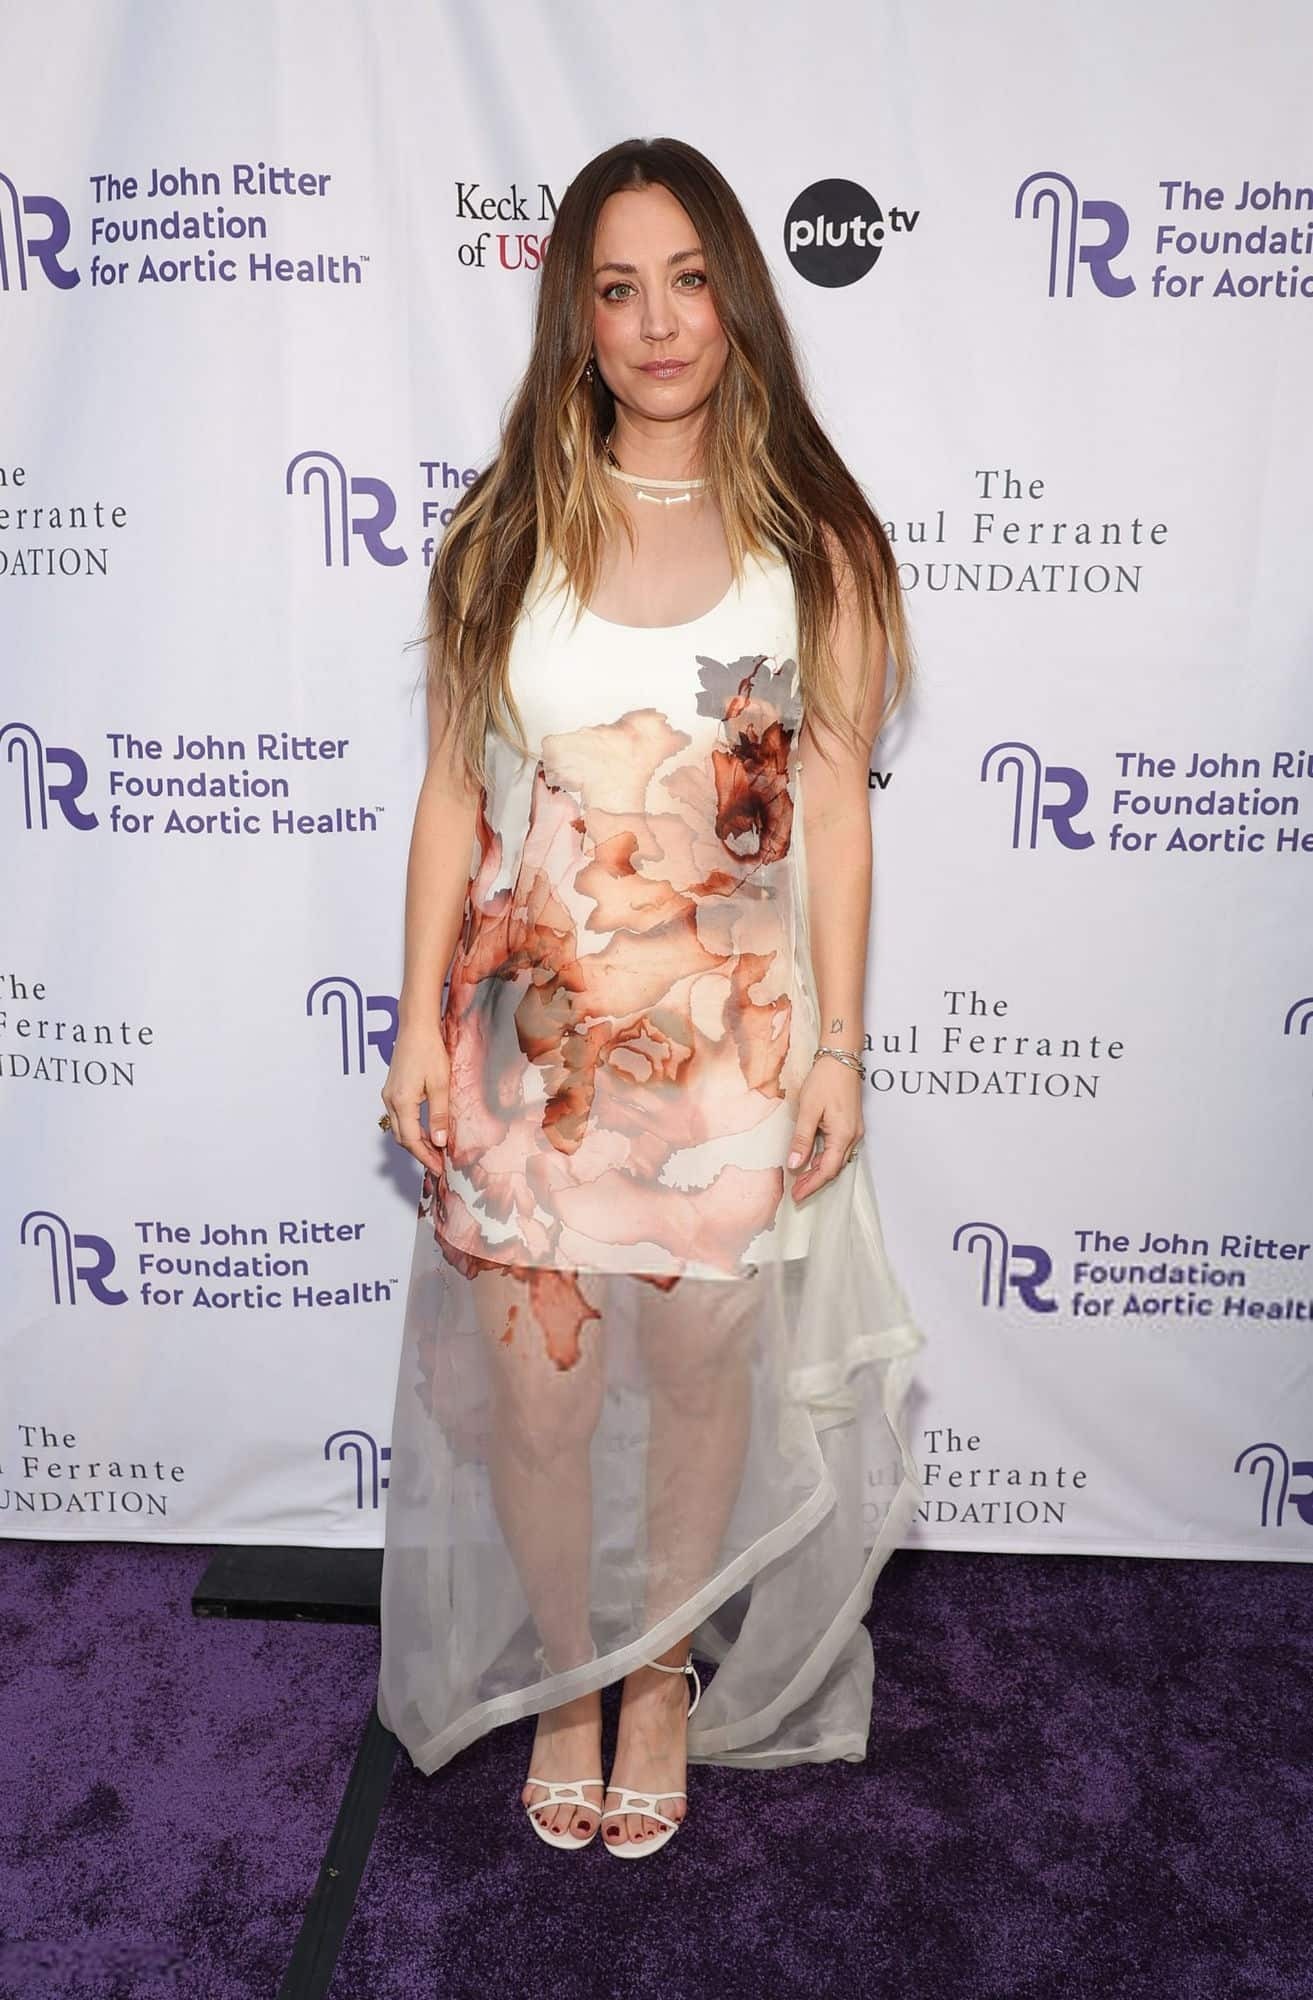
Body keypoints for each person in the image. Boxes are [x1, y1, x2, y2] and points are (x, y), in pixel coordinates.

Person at [375, 135, 926, 1861]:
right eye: (618, 290)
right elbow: (451, 797)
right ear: (579, 319)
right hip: (530, 1050)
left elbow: (833, 812)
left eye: (687, 280)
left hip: (729, 1049)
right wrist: (410, 1022)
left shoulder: (811, 542)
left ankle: (663, 1673)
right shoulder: (502, 533)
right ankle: (568, 1678)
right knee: (538, 1393)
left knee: (698, 1373)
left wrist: (837, 1047)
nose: (659, 320)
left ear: (735, 297)